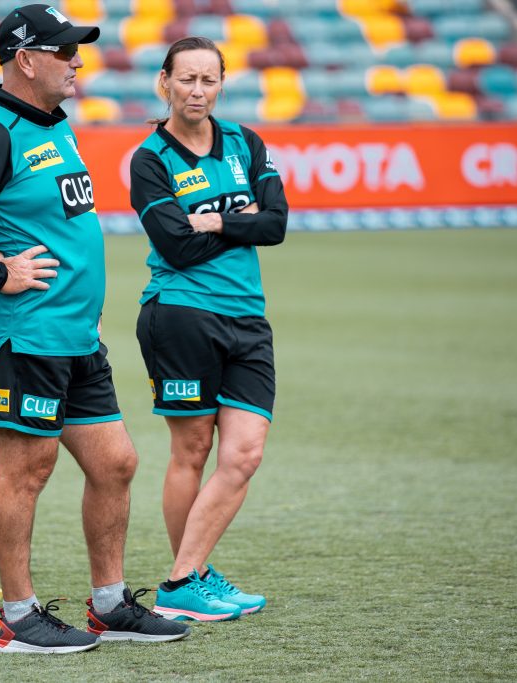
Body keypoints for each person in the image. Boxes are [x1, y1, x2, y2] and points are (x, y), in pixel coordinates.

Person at [0, 4, 190, 655]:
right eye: (65, 50)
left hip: (74, 338)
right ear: (25, 59)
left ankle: (108, 604)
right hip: (22, 336)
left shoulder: (53, 126)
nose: (76, 61)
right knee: (27, 468)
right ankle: (18, 616)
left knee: (117, 461)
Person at [128, 36, 288, 622]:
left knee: (244, 453)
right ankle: (186, 578)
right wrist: (240, 220)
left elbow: (275, 226)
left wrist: (214, 219)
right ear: (164, 82)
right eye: (187, 79)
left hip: (247, 316)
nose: (198, 91)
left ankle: (182, 577)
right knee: (192, 451)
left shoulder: (246, 142)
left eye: (209, 80)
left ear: (222, 84)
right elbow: (173, 244)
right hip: (180, 314)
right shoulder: (150, 160)